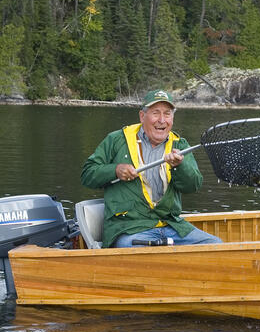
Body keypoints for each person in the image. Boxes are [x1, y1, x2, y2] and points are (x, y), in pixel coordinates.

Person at [81, 89, 222, 247]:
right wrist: (116, 170)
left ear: (172, 118)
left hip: (170, 225)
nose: (162, 120)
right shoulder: (116, 139)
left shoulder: (180, 145)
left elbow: (193, 186)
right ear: (142, 116)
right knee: (138, 250)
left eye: (167, 114)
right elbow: (87, 174)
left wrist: (179, 166)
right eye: (156, 113)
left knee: (216, 245)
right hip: (128, 228)